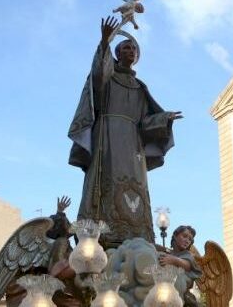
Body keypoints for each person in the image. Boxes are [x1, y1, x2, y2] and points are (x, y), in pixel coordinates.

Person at [68, 16, 182, 247]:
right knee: (106, 177)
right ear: (118, 53)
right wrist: (104, 42)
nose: (131, 50)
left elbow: (144, 122)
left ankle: (136, 230)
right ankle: (101, 231)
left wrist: (164, 118)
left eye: (134, 49)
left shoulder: (140, 88)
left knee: (134, 184)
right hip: (107, 136)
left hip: (132, 145)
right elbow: (98, 79)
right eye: (126, 47)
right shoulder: (108, 79)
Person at [158, 225, 203, 306]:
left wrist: (174, 260)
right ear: (175, 236)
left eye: (190, 239)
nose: (187, 241)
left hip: (181, 283)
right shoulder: (170, 253)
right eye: (184, 236)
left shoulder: (187, 254)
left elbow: (187, 265)